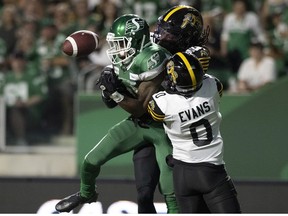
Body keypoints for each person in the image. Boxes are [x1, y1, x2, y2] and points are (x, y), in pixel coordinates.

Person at [55, 14, 179, 213]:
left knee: (168, 187)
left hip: (163, 127)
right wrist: (108, 88)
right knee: (91, 161)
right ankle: (87, 194)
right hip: (138, 124)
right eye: (114, 43)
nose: (116, 49)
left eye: (121, 43)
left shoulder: (153, 58)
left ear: (138, 41)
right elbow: (111, 105)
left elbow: (141, 107)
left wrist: (115, 92)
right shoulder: (123, 59)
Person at [147, 52, 241, 213]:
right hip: (212, 173)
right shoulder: (212, 86)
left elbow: (154, 112)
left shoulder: (162, 103)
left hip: (182, 173)